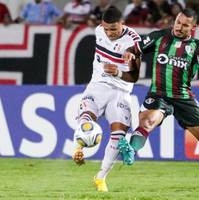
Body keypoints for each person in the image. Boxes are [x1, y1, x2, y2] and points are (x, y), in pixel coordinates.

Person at [114, 8, 199, 193]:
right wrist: (130, 52)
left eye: (185, 25)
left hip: (183, 98)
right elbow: (137, 46)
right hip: (158, 95)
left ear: (193, 27)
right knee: (147, 122)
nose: (179, 27)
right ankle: (131, 151)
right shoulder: (159, 37)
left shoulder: (197, 46)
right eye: (178, 22)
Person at [71, 6, 141, 192]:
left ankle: (100, 177)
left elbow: (134, 77)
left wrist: (120, 70)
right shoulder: (98, 31)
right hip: (97, 86)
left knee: (119, 135)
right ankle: (78, 149)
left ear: (122, 24)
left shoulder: (133, 41)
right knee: (86, 118)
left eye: (114, 29)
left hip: (120, 91)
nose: (109, 33)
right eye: (106, 28)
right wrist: (80, 147)